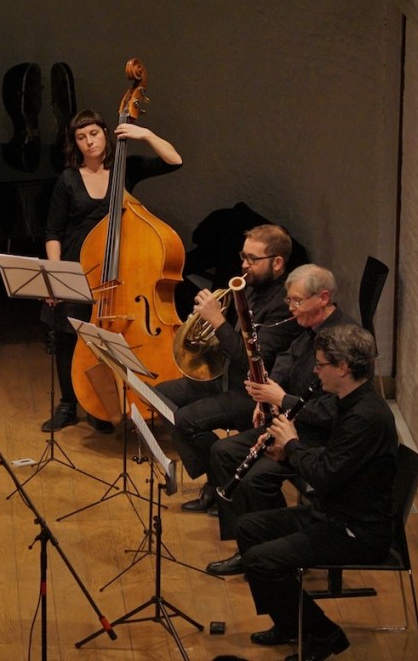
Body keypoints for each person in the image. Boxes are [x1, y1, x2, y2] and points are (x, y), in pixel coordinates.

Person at [236, 324, 396, 661]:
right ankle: (289, 623)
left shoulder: (366, 416)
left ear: (343, 367)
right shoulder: (348, 402)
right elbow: (333, 459)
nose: (315, 370)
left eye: (321, 364)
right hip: (333, 512)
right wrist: (285, 454)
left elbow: (325, 476)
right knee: (248, 527)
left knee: (260, 561)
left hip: (356, 529)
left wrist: (292, 444)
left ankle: (324, 635)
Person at [206, 264, 355, 575]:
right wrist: (268, 392)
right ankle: (248, 545)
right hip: (293, 421)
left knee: (256, 479)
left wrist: (281, 400)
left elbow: (330, 413)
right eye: (289, 300)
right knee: (223, 452)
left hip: (320, 437)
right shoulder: (308, 327)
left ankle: (280, 551)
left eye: (297, 301)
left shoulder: (345, 341)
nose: (291, 308)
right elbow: (288, 357)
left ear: (323, 298)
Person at [40, 109, 182, 433]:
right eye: (81, 137)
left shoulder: (124, 169)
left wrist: (145, 135)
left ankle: (101, 405)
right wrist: (55, 276)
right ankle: (68, 404)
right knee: (69, 338)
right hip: (79, 268)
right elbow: (53, 231)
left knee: (107, 339)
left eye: (94, 133)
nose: (89, 142)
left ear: (106, 133)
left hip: (119, 272)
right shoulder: (68, 179)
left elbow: (174, 160)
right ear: (75, 143)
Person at [156, 225, 301, 512]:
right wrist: (209, 321)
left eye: (252, 259)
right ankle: (217, 477)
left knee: (185, 421)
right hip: (225, 375)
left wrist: (217, 322)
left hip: (253, 393)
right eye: (243, 256)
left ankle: (219, 483)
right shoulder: (249, 285)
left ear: (277, 262)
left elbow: (252, 360)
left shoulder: (284, 304)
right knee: (161, 397)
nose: (244, 265)